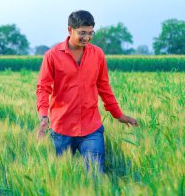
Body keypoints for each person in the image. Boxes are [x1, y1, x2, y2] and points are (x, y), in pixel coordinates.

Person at [36, 10, 138, 173]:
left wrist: (118, 114)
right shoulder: (52, 56)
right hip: (61, 129)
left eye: (90, 33)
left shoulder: (97, 54)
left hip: (91, 128)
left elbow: (104, 87)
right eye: (82, 33)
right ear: (70, 30)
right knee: (62, 179)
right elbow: (43, 88)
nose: (87, 38)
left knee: (96, 176)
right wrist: (43, 117)